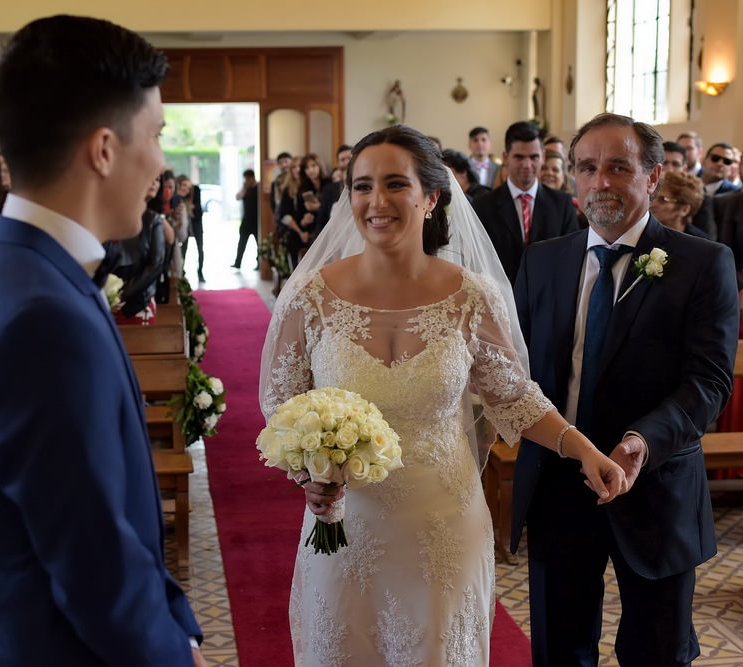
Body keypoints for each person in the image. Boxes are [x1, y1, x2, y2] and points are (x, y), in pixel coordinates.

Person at [260, 124, 626, 665]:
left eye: (393, 184)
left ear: (431, 196)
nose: (376, 202)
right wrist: (307, 474)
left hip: (443, 526)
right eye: (361, 186)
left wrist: (585, 449)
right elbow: (283, 407)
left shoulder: (471, 296)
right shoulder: (311, 297)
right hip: (345, 523)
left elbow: (514, 397)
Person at [0, 16, 205, 666]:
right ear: (104, 149)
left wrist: (179, 626)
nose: (162, 162)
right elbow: (95, 566)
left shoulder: (23, 270)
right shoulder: (39, 318)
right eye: (157, 136)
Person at [512, 113, 738, 666]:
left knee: (656, 651)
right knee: (560, 649)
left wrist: (642, 440)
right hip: (559, 486)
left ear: (654, 177)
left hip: (656, 486)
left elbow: (708, 380)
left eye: (618, 167)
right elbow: (515, 371)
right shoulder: (543, 262)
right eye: (586, 168)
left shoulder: (702, 263)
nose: (600, 182)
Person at [474, 120, 579, 283]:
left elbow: (572, 257)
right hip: (501, 298)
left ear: (543, 157)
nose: (527, 165)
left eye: (534, 157)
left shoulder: (562, 204)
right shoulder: (483, 206)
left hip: (549, 296)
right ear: (505, 157)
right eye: (519, 157)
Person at [112, 174, 168, 323]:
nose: (154, 184)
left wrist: (123, 293)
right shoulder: (114, 214)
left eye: (157, 180)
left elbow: (156, 263)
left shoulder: (153, 218)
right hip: (110, 296)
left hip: (138, 300)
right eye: (150, 178)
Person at [651, 170, 708, 238]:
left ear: (685, 210)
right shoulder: (641, 230)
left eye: (663, 200)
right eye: (653, 196)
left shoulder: (700, 244)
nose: (652, 203)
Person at [232, 168, 259, 269]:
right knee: (242, 242)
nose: (246, 181)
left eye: (248, 179)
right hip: (246, 220)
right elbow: (237, 197)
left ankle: (259, 263)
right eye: (245, 179)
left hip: (256, 221)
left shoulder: (258, 188)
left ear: (252, 178)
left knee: (259, 244)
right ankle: (237, 263)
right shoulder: (246, 189)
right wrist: (244, 188)